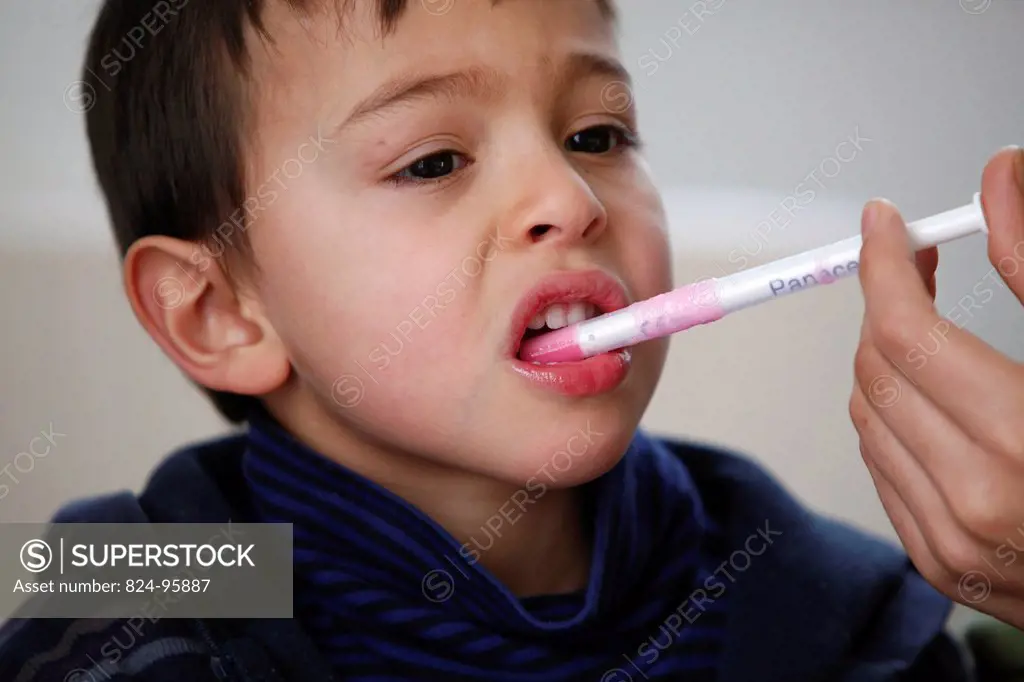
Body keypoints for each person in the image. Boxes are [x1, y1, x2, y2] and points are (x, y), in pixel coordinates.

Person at [2, 1, 1022, 680]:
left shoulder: (829, 603)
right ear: (218, 312)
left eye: (596, 136)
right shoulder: (128, 590)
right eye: (434, 160)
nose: (567, 199)